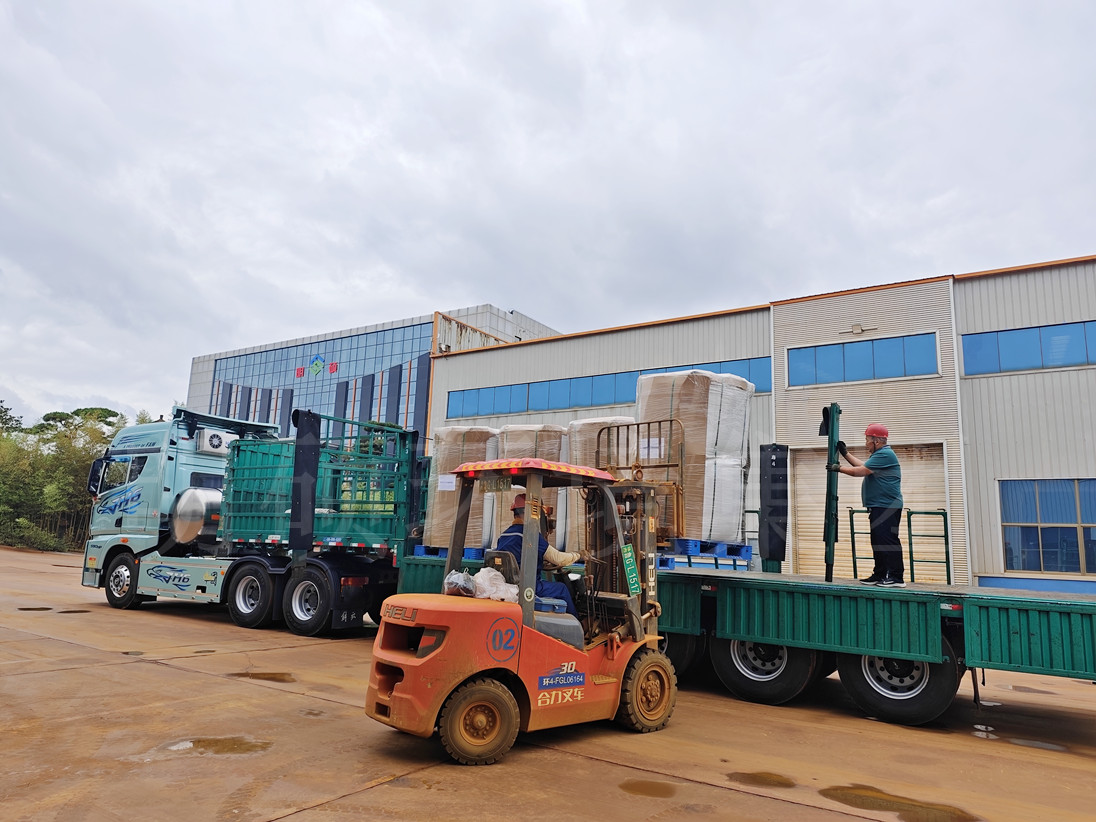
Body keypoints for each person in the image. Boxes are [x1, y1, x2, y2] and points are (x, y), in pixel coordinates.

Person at [830, 423, 905, 587]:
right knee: (878, 541)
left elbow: (861, 471)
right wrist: (845, 454)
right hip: (880, 506)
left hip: (887, 506)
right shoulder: (879, 455)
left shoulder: (885, 454)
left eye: (867, 440)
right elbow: (863, 466)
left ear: (876, 441)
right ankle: (879, 574)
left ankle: (896, 577)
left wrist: (838, 468)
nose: (866, 444)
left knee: (887, 541)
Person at [496, 493, 581, 616]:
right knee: (562, 589)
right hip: (528, 587)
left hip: (510, 585)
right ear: (531, 512)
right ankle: (577, 623)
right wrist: (578, 555)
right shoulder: (530, 534)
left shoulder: (504, 535)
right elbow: (558, 559)